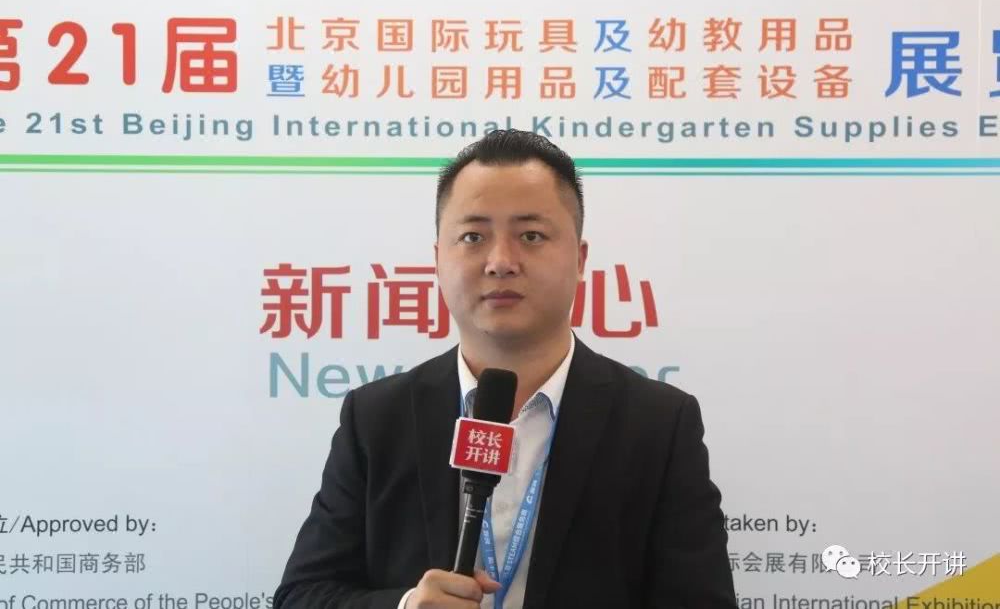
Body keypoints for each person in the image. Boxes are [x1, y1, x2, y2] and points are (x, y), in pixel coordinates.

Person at [274, 129, 736, 609]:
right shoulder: (376, 417)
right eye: (473, 237)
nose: (500, 262)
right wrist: (406, 605)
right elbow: (301, 596)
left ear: (580, 259)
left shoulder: (658, 424)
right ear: (438, 260)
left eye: (531, 236)